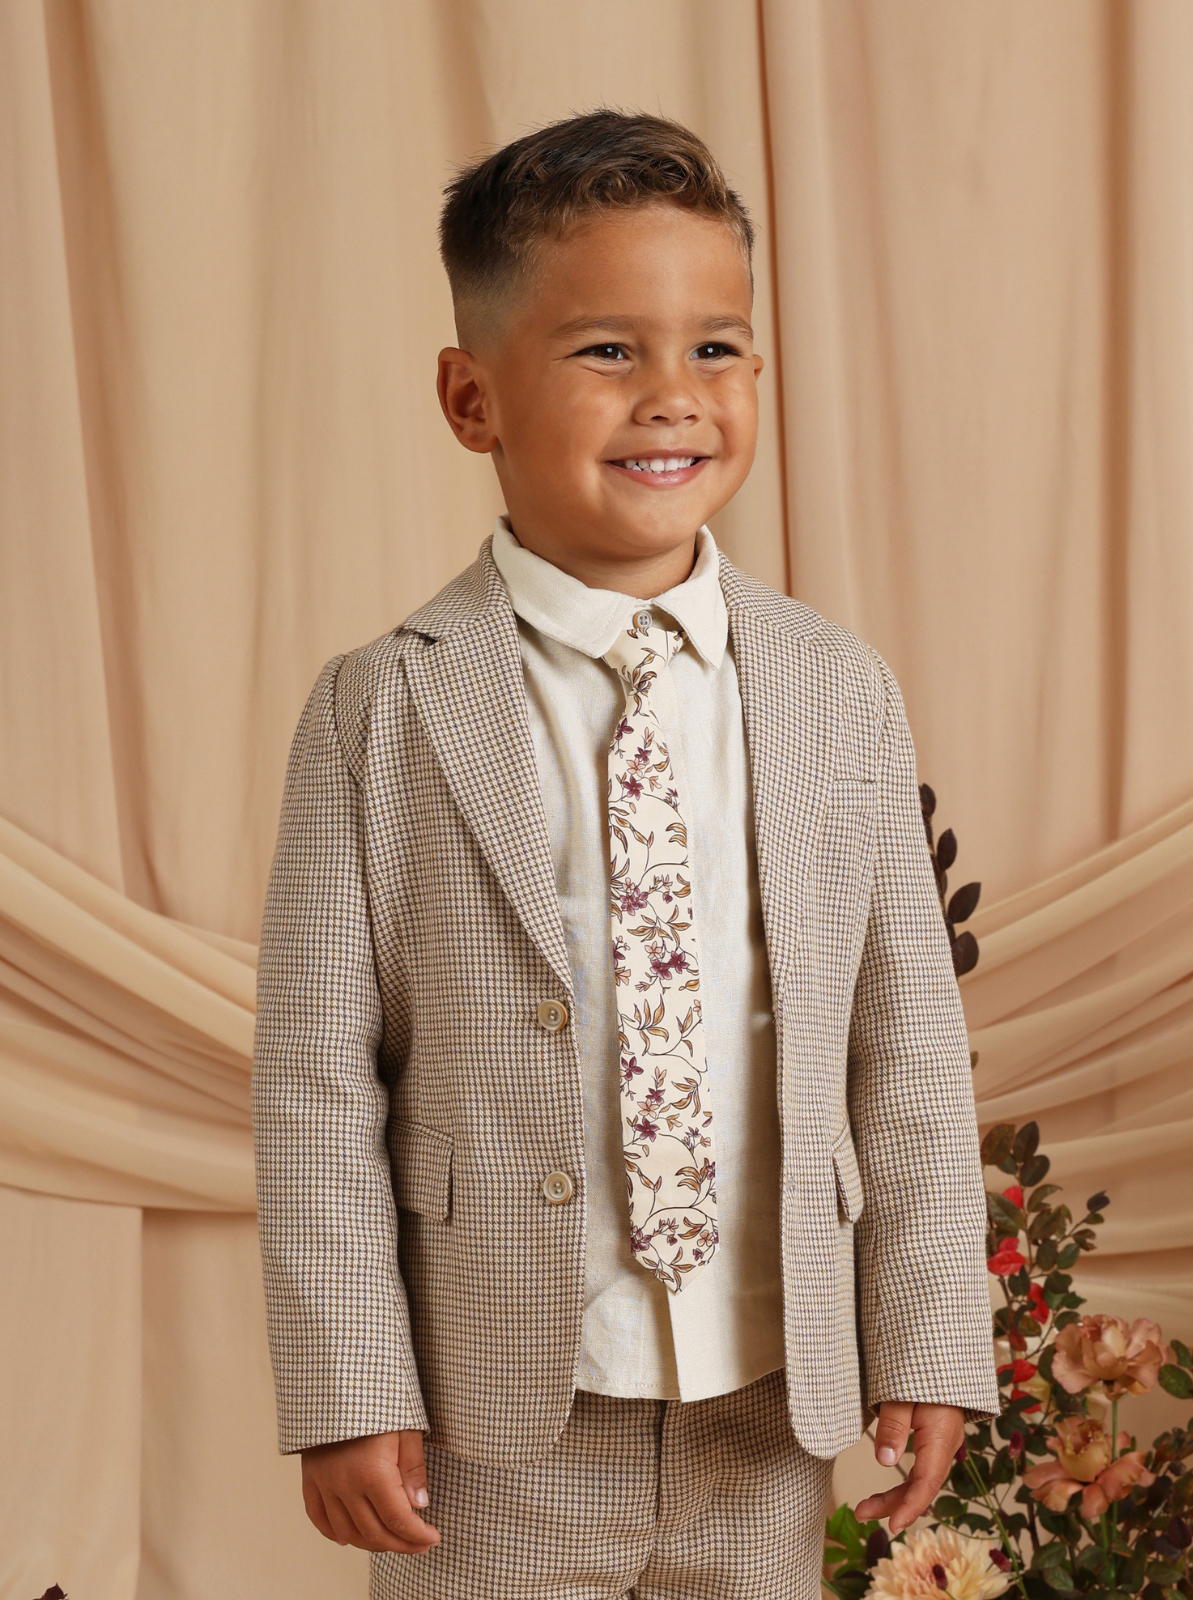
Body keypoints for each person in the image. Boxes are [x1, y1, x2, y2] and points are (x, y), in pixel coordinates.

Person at [253, 109, 999, 1600]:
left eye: (716, 349)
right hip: (499, 1414)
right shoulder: (381, 705)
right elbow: (319, 1073)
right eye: (607, 352)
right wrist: (347, 1386)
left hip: (767, 1397)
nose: (673, 398)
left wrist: (925, 1336)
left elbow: (905, 1038)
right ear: (473, 398)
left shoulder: (835, 687)